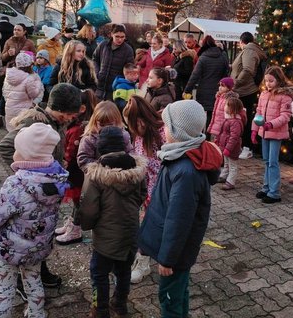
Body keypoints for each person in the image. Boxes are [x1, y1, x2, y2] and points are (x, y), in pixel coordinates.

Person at [137, 100, 222, 318]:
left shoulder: (186, 170)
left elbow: (179, 219)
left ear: (177, 131)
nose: (163, 131)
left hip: (176, 253)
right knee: (178, 291)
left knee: (170, 298)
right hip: (176, 249)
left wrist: (167, 258)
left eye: (166, 126)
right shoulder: (180, 154)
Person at [0, 83, 83, 293]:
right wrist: (29, 171)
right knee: (29, 234)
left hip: (44, 190)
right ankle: (22, 280)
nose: (71, 119)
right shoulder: (34, 121)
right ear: (61, 110)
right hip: (32, 191)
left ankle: (40, 270)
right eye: (70, 115)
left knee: (42, 232)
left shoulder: (53, 120)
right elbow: (6, 146)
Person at [0, 123, 68, 318]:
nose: (13, 153)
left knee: (4, 289)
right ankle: (37, 313)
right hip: (37, 248)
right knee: (33, 280)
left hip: (9, 249)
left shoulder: (16, 184)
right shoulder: (56, 181)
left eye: (17, 150)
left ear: (26, 155)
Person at [79, 126, 147, 318]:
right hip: (131, 232)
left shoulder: (95, 175)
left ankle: (100, 310)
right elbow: (142, 194)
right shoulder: (138, 170)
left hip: (106, 237)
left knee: (99, 273)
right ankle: (119, 304)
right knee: (124, 271)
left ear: (100, 148)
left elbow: (89, 209)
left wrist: (86, 225)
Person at [122, 95, 166, 284]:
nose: (130, 129)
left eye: (131, 124)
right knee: (146, 226)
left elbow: (167, 164)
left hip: (162, 191)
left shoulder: (161, 134)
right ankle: (144, 260)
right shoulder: (139, 136)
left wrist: (145, 164)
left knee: (155, 227)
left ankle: (150, 260)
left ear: (140, 121)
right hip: (146, 191)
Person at [55, 89, 99, 246]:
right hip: (75, 172)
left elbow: (71, 152)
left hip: (76, 172)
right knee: (76, 202)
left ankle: (75, 229)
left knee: (79, 202)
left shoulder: (79, 128)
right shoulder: (76, 124)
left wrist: (64, 163)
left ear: (82, 108)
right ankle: (72, 223)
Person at [251, 66, 293, 204]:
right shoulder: (264, 94)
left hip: (275, 133)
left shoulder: (284, 96)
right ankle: (266, 187)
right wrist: (254, 129)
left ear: (278, 80)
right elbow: (258, 112)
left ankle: (274, 192)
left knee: (272, 162)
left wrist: (271, 124)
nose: (268, 84)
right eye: (266, 81)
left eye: (271, 81)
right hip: (264, 132)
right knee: (266, 161)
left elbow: (286, 116)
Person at [230, 31, 266, 159]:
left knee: (245, 120)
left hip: (245, 90)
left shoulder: (249, 51)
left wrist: (235, 83)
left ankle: (247, 147)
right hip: (245, 89)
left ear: (241, 41)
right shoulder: (251, 50)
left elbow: (247, 70)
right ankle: (244, 146)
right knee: (243, 119)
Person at [0, 23, 35, 129]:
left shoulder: (29, 43)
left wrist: (27, 56)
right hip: (11, 70)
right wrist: (8, 54)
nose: (16, 31)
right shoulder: (9, 41)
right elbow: (2, 57)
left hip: (25, 71)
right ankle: (0, 115)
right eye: (15, 29)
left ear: (24, 31)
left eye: (19, 30)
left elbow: (34, 57)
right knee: (6, 93)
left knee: (21, 93)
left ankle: (21, 118)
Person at [183, 35, 229, 125]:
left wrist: (187, 90)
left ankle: (202, 136)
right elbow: (226, 73)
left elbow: (194, 76)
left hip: (203, 90)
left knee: (201, 114)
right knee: (212, 115)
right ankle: (208, 135)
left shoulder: (203, 58)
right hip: (218, 90)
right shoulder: (223, 56)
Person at [77, 101, 134, 170]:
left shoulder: (123, 136)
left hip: (120, 176)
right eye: (102, 125)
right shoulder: (90, 139)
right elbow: (83, 159)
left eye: (110, 124)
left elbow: (130, 152)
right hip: (97, 177)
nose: (106, 128)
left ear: (117, 121)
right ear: (95, 122)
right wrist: (102, 167)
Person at [2, 52, 44, 132]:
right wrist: (38, 83)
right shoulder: (29, 79)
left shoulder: (8, 77)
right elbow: (33, 94)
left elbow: (4, 91)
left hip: (9, 107)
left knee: (12, 130)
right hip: (24, 110)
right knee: (22, 130)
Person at [93, 24, 134, 100]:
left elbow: (129, 69)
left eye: (122, 37)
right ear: (112, 34)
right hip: (99, 86)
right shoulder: (103, 45)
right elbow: (95, 59)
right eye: (117, 36)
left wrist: (120, 82)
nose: (120, 39)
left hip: (115, 89)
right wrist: (97, 72)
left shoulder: (128, 50)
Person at [215, 97, 245, 191]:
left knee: (232, 165)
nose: (224, 107)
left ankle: (231, 181)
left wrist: (228, 148)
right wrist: (218, 140)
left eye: (226, 105)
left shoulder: (235, 122)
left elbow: (234, 137)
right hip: (225, 146)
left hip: (232, 148)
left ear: (232, 108)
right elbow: (222, 133)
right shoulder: (228, 119)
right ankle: (224, 176)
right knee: (226, 163)